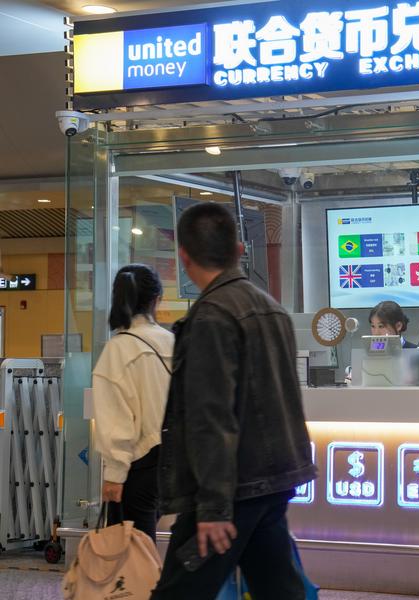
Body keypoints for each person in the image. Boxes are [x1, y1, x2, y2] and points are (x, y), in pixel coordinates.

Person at [151, 202, 316, 600]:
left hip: (230, 491)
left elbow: (210, 417)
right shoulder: (273, 310)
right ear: (240, 250)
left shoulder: (211, 317)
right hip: (272, 483)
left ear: (184, 257)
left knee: (179, 593)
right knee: (279, 590)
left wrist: (212, 507)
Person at [92, 264, 173, 542]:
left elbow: (116, 418)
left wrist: (114, 474)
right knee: (142, 545)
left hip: (138, 463)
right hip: (172, 459)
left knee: (130, 551)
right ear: (157, 300)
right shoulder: (172, 342)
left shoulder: (118, 350)